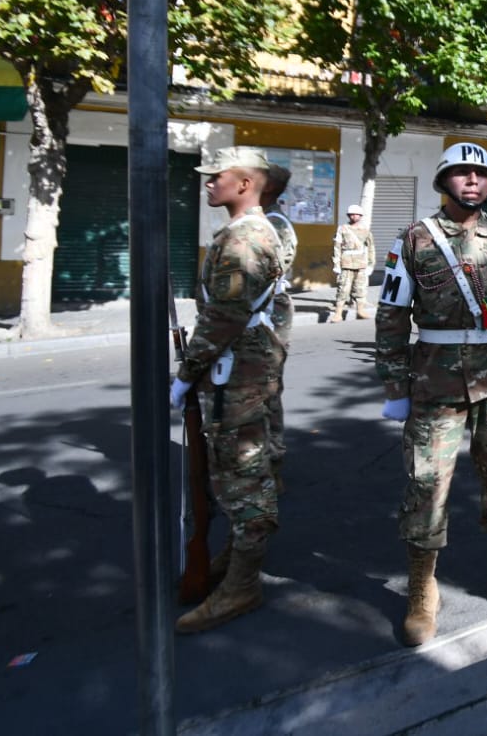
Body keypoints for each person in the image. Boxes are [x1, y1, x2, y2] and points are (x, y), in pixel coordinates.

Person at [374, 143, 487, 646]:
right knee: (425, 486)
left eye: (481, 174)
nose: (472, 180)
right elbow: (390, 316)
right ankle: (422, 588)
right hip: (434, 384)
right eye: (461, 172)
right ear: (443, 180)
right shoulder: (414, 239)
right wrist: (393, 385)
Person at [170, 147, 284, 634]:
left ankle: (243, 584)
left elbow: (223, 317)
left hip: (236, 375)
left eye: (216, 177)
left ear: (244, 185)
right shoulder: (249, 232)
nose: (207, 184)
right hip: (244, 370)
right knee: (239, 473)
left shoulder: (243, 239)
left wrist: (185, 375)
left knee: (244, 480)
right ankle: (235, 565)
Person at [260, 164, 296, 493]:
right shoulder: (259, 220)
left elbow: (267, 275)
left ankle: (271, 463)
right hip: (261, 312)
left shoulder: (274, 224)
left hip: (269, 312)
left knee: (267, 389)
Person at [329, 204, 375, 322]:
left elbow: (371, 248)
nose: (354, 216)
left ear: (360, 215)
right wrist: (336, 264)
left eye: (356, 214)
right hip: (346, 263)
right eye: (351, 214)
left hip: (361, 263)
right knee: (343, 288)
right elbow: (337, 247)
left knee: (360, 288)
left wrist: (371, 264)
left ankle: (360, 310)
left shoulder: (365, 230)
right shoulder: (343, 228)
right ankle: (338, 313)